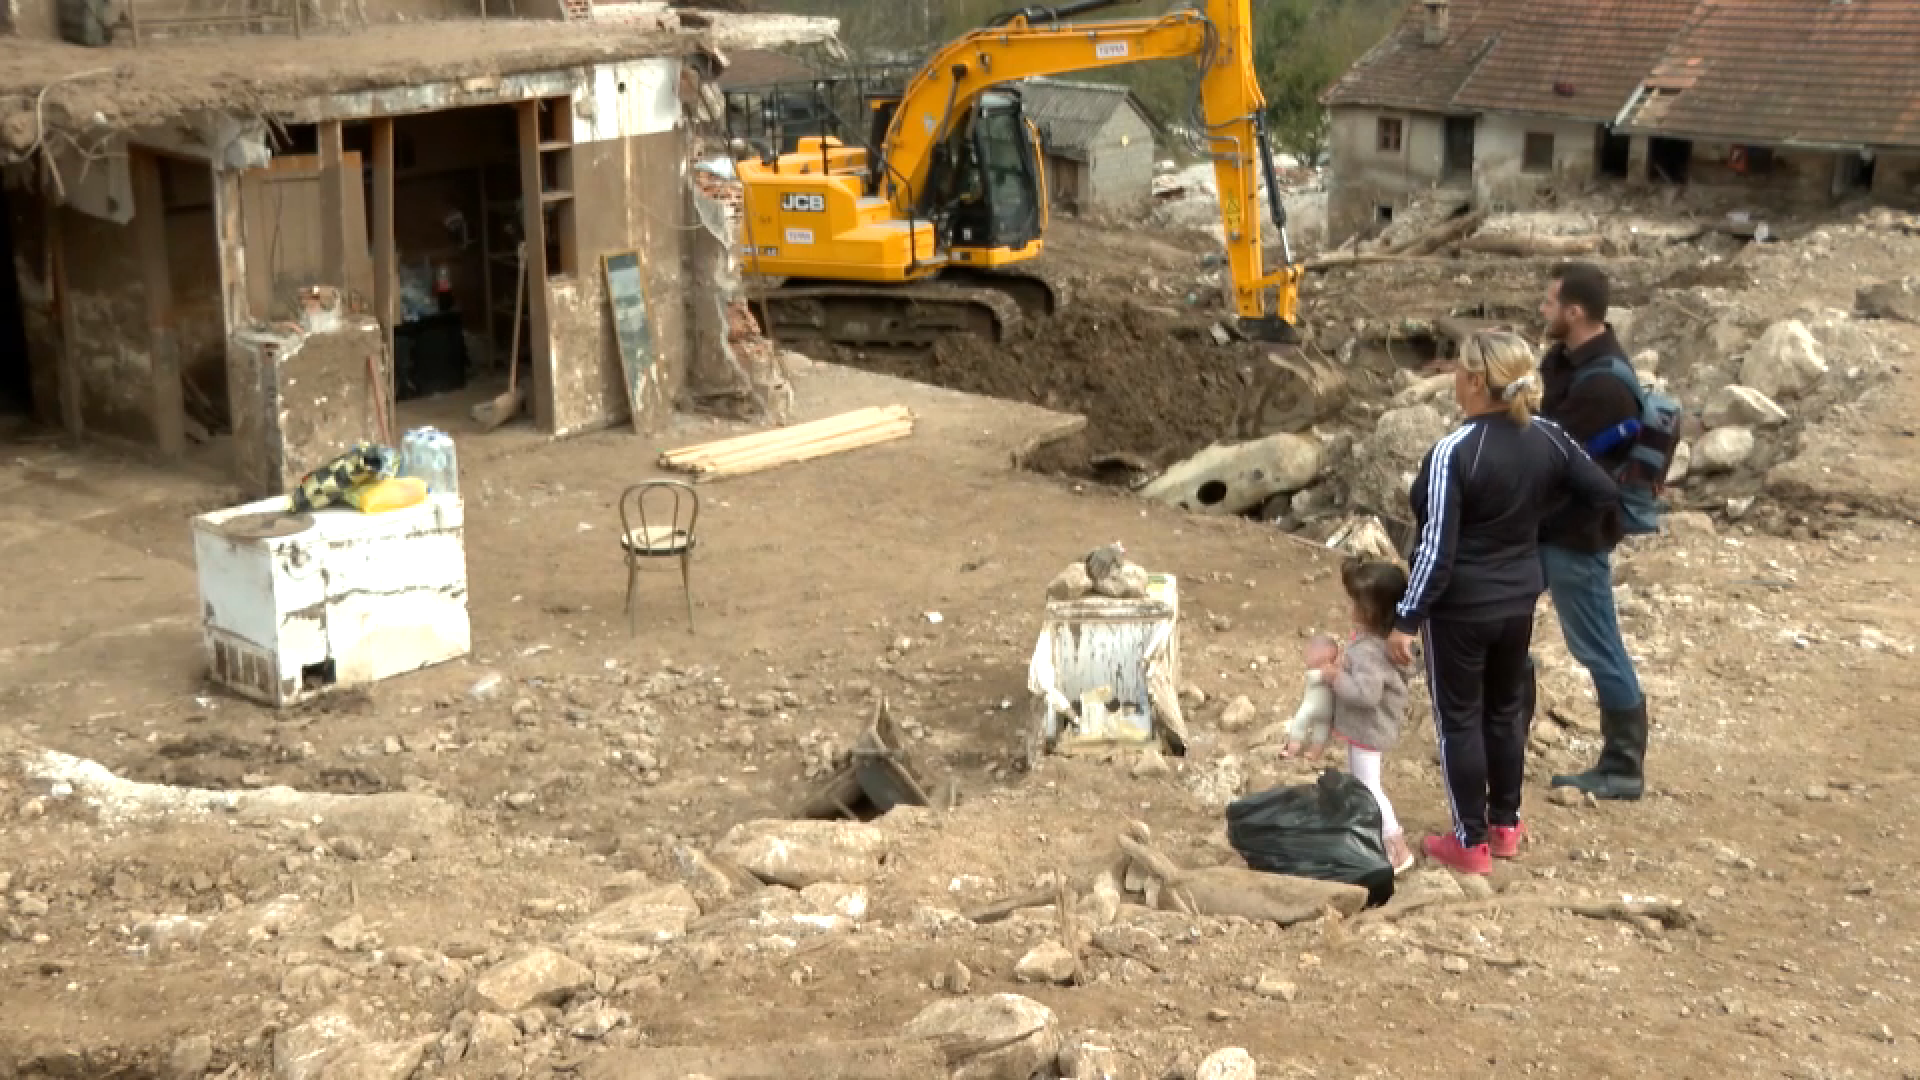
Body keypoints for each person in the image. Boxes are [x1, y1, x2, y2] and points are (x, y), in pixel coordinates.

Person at [1387, 331, 1620, 875]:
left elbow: (1436, 548)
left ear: (1472, 380)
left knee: (1459, 719)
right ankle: (1505, 824)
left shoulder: (1453, 453)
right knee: (1504, 710)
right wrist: (1538, 530)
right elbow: (1603, 492)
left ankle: (1468, 842)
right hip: (1517, 597)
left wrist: (1406, 619)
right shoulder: (1549, 437)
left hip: (1459, 609)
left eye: (1457, 372)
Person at [1537, 262, 1651, 801]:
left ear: (1574, 312)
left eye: (1550, 301)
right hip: (1546, 528)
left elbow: (1556, 458)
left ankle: (1623, 767)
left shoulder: (1605, 385)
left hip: (1575, 534)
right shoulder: (1568, 361)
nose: (1543, 308)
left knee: (1598, 646)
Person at [1325, 558, 1417, 874]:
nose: (1352, 610)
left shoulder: (1370, 651)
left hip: (1369, 729)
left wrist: (1336, 678)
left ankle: (1396, 847)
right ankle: (1373, 836)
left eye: (1358, 606)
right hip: (1368, 728)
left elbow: (1367, 695)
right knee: (1362, 782)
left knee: (1368, 786)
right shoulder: (1379, 643)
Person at [1279, 634, 1341, 760]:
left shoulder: (1315, 673)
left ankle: (1291, 750)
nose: (1305, 658)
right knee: (1321, 730)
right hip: (1328, 711)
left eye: (1308, 654)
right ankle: (1314, 753)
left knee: (1299, 723)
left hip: (1310, 707)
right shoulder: (1334, 673)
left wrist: (1327, 672)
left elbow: (1318, 677)